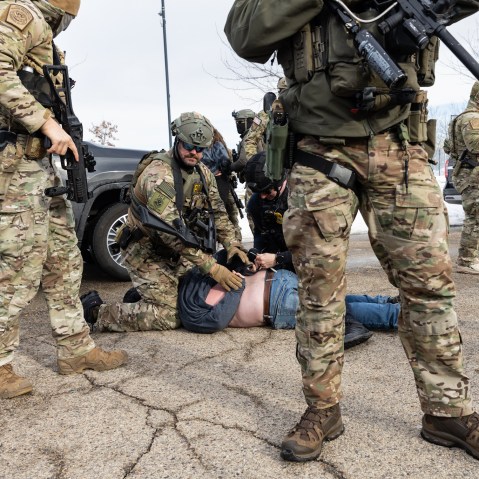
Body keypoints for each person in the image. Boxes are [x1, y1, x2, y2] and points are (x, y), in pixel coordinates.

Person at [225, 0, 479, 463]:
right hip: (319, 152)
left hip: (401, 142)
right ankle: (323, 410)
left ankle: (448, 412)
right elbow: (244, 34)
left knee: (430, 286)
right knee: (318, 292)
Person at [0, 0, 128, 399]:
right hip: (14, 166)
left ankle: (75, 349)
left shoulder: (45, 33)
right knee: (20, 265)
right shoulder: (22, 14)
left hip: (37, 167)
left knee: (64, 261)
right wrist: (47, 124)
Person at [81, 112, 249, 333]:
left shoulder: (202, 173)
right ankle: (96, 311)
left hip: (177, 250)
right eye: (189, 146)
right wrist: (212, 268)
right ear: (177, 140)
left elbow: (218, 211)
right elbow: (169, 232)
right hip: (145, 250)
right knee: (169, 316)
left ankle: (141, 298)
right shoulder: (159, 175)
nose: (195, 153)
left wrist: (232, 245)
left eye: (201, 149)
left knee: (193, 295)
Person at [244, 152, 374, 347]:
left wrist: (278, 259)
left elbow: (314, 249)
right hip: (283, 264)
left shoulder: (301, 199)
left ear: (280, 181)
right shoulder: (256, 203)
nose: (263, 196)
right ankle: (386, 305)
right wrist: (258, 257)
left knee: (321, 298)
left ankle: (354, 326)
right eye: (258, 192)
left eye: (267, 191)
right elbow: (261, 237)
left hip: (313, 260)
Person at [121, 250, 399, 337]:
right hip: (278, 283)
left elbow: (220, 315)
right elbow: (231, 273)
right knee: (335, 301)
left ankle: (395, 315)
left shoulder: (189, 305)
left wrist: (235, 279)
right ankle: (387, 303)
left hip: (276, 301)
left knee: (339, 310)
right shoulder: (195, 275)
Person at [445, 81, 479, 275]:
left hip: (467, 175)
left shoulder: (461, 118)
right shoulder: (473, 118)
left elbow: (447, 146)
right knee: (475, 218)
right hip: (472, 176)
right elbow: (476, 146)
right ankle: (466, 261)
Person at [201, 127, 242, 241]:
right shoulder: (217, 144)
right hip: (220, 181)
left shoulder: (201, 146)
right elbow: (225, 162)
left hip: (205, 182)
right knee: (229, 216)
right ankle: (235, 242)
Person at [243, 77, 288, 162]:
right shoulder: (263, 115)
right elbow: (250, 140)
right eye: (282, 91)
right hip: (272, 163)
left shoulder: (301, 111)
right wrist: (254, 162)